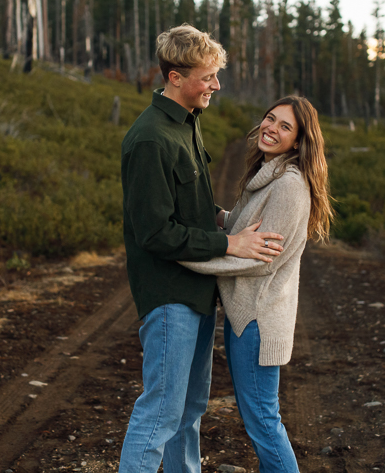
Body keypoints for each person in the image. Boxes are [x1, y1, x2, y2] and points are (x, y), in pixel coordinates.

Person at [119, 24, 285, 473]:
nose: (216, 85)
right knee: (160, 413)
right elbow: (155, 232)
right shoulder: (151, 138)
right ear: (175, 77)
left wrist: (222, 219)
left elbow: (185, 205)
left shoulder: (187, 124)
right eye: (208, 76)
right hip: (169, 294)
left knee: (189, 411)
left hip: (196, 292)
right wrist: (230, 243)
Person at [180, 96, 333, 473]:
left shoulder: (290, 185)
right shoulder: (268, 176)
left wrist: (191, 259)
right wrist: (216, 216)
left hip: (257, 323)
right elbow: (250, 229)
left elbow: (262, 260)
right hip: (247, 319)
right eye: (270, 119)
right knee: (261, 419)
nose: (271, 128)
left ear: (298, 141)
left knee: (264, 421)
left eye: (285, 126)